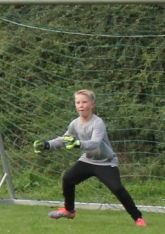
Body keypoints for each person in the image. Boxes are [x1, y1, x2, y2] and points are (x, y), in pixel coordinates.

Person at [33, 89, 146, 227]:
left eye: (84, 102)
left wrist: (78, 144)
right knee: (68, 179)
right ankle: (69, 210)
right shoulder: (75, 123)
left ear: (92, 105)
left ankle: (138, 218)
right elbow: (64, 139)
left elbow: (94, 143)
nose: (81, 105)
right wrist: (47, 145)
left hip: (106, 162)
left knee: (117, 189)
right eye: (78, 102)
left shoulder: (98, 123)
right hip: (87, 160)